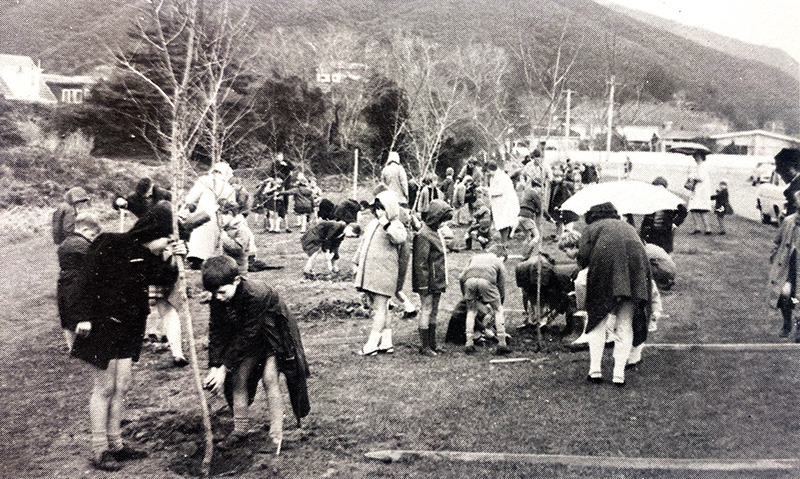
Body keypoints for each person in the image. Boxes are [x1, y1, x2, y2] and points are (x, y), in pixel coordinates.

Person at [70, 202, 183, 471]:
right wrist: (82, 316)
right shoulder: (110, 242)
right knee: (105, 387)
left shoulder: (150, 256)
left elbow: (164, 279)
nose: (167, 243)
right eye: (167, 238)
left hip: (130, 326)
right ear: (153, 231)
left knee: (122, 386)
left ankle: (116, 443)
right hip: (102, 324)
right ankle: (99, 449)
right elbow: (84, 280)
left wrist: (172, 256)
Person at [201, 256, 310, 455]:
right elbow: (216, 331)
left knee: (270, 379)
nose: (217, 297)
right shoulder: (218, 297)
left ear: (236, 281)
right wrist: (215, 366)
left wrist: (224, 368)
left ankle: (276, 436)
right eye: (213, 293)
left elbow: (248, 334)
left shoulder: (256, 294)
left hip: (273, 333)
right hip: (249, 335)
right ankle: (240, 430)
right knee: (238, 379)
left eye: (221, 292)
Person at [577, 202, 651, 386]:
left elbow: (583, 257)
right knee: (625, 322)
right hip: (636, 271)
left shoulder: (592, 228)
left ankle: (595, 370)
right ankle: (619, 374)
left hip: (606, 270)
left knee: (598, 319)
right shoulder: (628, 226)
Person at [353, 188, 408, 356]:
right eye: (376, 208)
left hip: (384, 274)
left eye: (382, 208)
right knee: (383, 308)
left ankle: (371, 345)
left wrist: (386, 224)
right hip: (371, 273)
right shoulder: (372, 224)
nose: (378, 212)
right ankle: (386, 341)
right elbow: (363, 244)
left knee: (380, 309)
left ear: (390, 208)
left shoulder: (396, 225)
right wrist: (355, 262)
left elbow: (399, 238)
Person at [412, 200, 453, 356]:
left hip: (437, 280)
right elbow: (421, 263)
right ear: (436, 217)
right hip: (427, 282)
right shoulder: (423, 235)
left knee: (434, 311)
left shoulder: (435, 233)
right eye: (442, 220)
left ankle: (433, 343)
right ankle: (424, 346)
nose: (443, 224)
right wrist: (423, 286)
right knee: (426, 309)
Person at [57, 213, 102, 350]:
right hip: (76, 284)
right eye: (93, 235)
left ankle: (73, 348)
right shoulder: (81, 245)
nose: (93, 239)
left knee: (68, 318)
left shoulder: (67, 242)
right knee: (78, 315)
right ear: (85, 231)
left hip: (65, 284)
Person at [459, 244, 511, 355]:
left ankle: (469, 343)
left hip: (469, 281)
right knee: (498, 311)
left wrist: (464, 294)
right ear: (501, 255)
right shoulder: (498, 261)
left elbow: (461, 277)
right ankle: (502, 344)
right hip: (487, 281)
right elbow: (501, 285)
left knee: (471, 312)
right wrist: (500, 301)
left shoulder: (474, 257)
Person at [185, 162, 235, 268]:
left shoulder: (204, 181)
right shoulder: (229, 188)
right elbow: (231, 207)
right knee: (210, 242)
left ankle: (196, 260)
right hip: (217, 218)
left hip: (202, 216)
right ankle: (206, 261)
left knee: (198, 238)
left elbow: (190, 198)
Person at [768, 190, 800, 341]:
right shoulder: (788, 221)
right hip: (787, 266)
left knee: (798, 298)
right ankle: (787, 323)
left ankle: (799, 328)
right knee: (785, 295)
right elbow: (777, 241)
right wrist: (774, 255)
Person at [639, 177, 688, 253]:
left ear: (665, 188)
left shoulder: (671, 199)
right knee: (649, 250)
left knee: (665, 251)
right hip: (651, 230)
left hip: (665, 230)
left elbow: (683, 212)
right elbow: (646, 217)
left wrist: (675, 224)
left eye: (661, 189)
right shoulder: (650, 199)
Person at [484, 160, 519, 243]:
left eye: (488, 171)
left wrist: (487, 191)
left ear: (492, 169)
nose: (487, 173)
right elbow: (494, 189)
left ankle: (504, 242)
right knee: (499, 222)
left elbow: (500, 191)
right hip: (500, 202)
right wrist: (486, 190)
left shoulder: (502, 177)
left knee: (504, 222)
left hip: (507, 202)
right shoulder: (494, 176)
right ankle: (504, 241)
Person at [217, 199, 254, 274]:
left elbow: (239, 249)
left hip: (238, 271)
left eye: (222, 215)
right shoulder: (227, 228)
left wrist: (224, 238)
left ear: (230, 214)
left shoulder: (242, 229)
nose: (220, 219)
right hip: (226, 269)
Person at [685, 151, 713, 235]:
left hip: (701, 191)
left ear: (700, 156)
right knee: (695, 208)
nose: (694, 157)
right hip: (699, 190)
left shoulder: (703, 166)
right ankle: (699, 228)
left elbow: (700, 177)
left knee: (700, 209)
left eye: (696, 155)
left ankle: (707, 229)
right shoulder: (699, 166)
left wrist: (691, 176)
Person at [775, 148, 800, 216]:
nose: (776, 170)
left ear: (791, 168)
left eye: (779, 166)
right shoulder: (794, 185)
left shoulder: (796, 189)